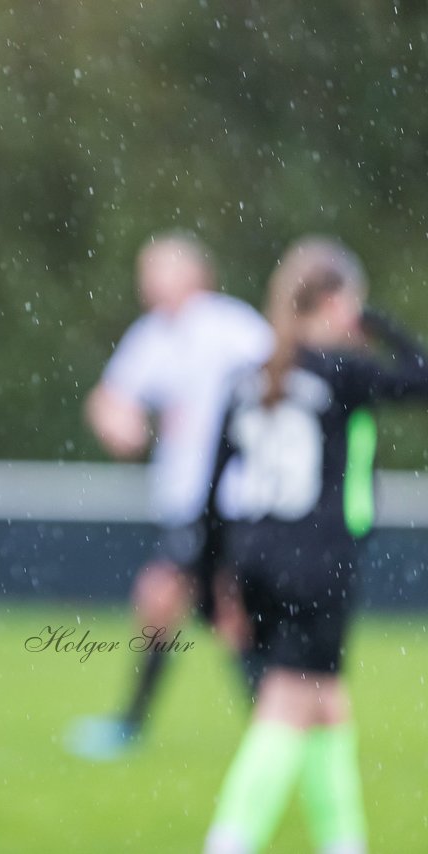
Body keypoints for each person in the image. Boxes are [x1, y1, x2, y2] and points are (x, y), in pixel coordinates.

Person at [202, 238, 428, 854]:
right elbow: (422, 377)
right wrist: (375, 321)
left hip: (257, 561)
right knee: (287, 704)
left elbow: (212, 490)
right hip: (319, 565)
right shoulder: (340, 369)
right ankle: (228, 841)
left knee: (327, 707)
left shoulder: (251, 375)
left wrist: (214, 583)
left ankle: (344, 843)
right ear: (336, 302)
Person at [67, 233, 273, 760]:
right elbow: (110, 398)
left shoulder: (232, 327)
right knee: (197, 609)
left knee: (198, 604)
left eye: (157, 270)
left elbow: (283, 383)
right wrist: (120, 420)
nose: (147, 283)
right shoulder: (155, 335)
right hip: (189, 506)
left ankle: (276, 725)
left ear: (194, 274)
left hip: (233, 504)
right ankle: (275, 725)